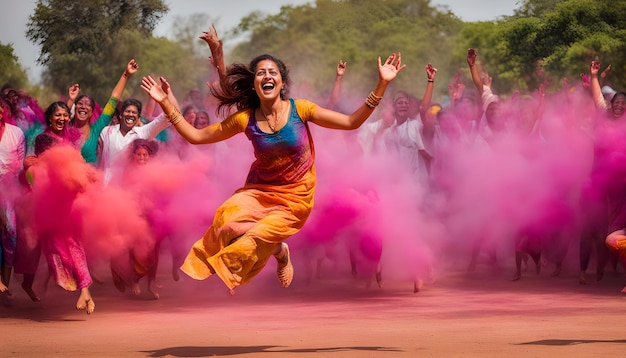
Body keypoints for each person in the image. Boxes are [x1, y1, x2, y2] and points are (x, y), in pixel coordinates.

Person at [141, 51, 405, 294]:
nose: (266, 76)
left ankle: (265, 259)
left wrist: (382, 85)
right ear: (255, 84)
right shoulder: (245, 119)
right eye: (260, 73)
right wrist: (165, 103)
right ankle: (280, 251)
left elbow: (351, 122)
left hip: (295, 199)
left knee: (255, 236)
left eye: (272, 72)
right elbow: (197, 137)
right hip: (259, 191)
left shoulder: (301, 109)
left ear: (281, 82)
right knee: (225, 221)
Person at [67, 59, 140, 164]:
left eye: (87, 105)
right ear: (75, 107)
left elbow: (113, 100)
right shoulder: (65, 128)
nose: (83, 106)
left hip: (90, 178)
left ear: (92, 112)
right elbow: (60, 116)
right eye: (80, 103)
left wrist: (126, 75)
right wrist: (71, 100)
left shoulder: (96, 129)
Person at [0, 96, 26, 295]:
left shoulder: (16, 133)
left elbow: (21, 163)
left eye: (1, 107)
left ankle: (5, 284)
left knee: (10, 234)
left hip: (9, 191)